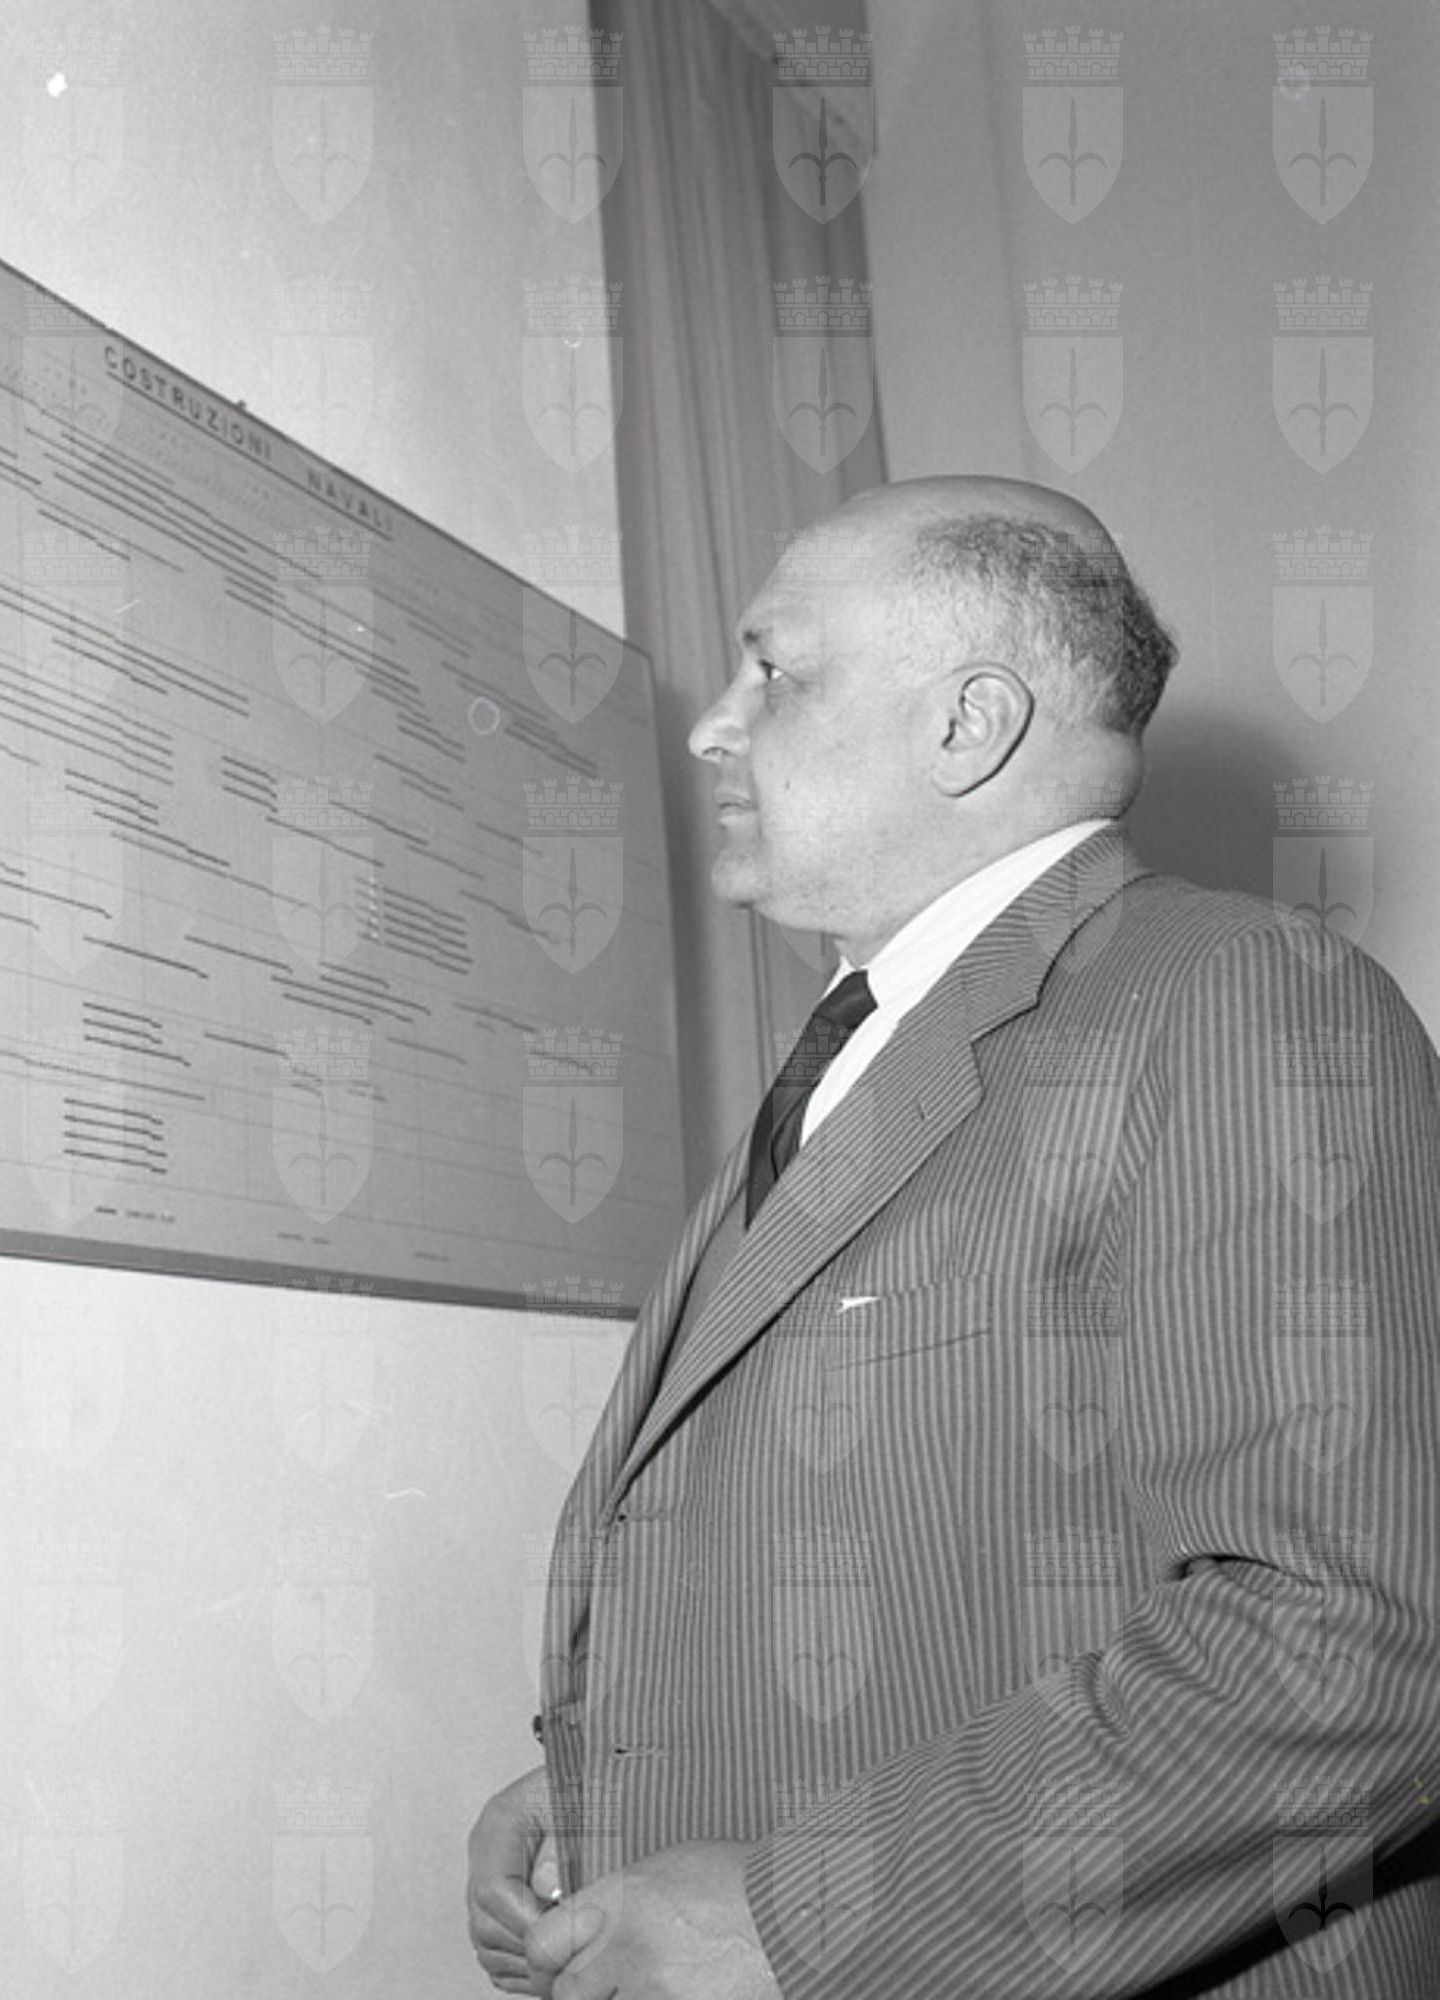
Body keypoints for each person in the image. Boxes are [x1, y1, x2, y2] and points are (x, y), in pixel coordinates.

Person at [466, 476, 1440, 1998]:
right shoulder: (868, 1048)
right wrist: (613, 1784)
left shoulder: (1239, 997)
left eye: (773, 672)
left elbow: (1351, 1642)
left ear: (967, 724)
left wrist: (793, 1920)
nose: (714, 726)